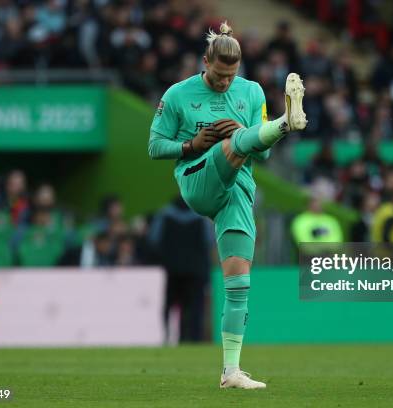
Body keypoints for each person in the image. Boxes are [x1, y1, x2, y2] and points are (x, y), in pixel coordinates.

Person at [148, 21, 306, 389]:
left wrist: (240, 130)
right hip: (197, 177)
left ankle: (230, 372)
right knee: (228, 146)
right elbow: (155, 146)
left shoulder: (250, 93)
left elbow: (262, 158)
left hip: (238, 189)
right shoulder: (177, 95)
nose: (224, 83)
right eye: (219, 75)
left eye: (230, 76)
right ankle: (287, 122)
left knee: (238, 284)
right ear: (205, 62)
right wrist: (191, 145)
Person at [148, 195, 214, 343]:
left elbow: (154, 239)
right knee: (195, 307)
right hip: (196, 269)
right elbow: (209, 241)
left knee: (170, 305)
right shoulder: (201, 216)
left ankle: (167, 336)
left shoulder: (164, 215)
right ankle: (194, 338)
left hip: (172, 269)